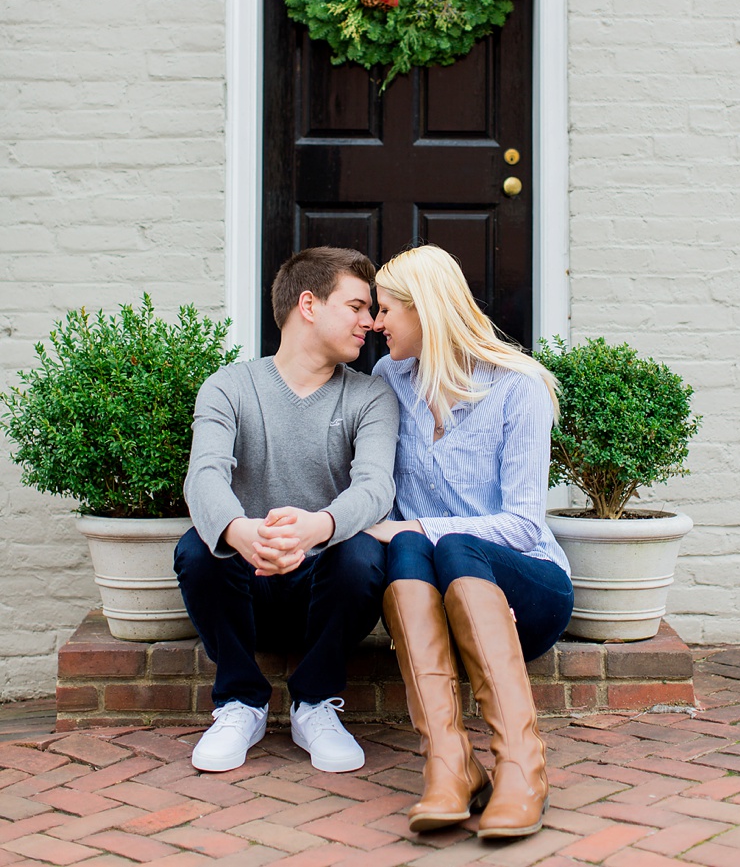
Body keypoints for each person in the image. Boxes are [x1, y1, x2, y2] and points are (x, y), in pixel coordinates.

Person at [362, 244, 573, 839]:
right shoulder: (389, 380)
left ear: (424, 310)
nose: (376, 324)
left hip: (525, 587)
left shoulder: (518, 387)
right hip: (438, 599)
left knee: (441, 544)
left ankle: (522, 767)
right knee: (410, 549)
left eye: (385, 310)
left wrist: (421, 529)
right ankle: (450, 764)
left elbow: (526, 524)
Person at [177, 246, 398, 774]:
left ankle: (314, 702)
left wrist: (316, 528)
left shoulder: (371, 397)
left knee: (365, 554)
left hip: (325, 587)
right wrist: (239, 531)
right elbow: (203, 475)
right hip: (245, 585)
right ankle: (240, 702)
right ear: (309, 304)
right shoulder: (229, 387)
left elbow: (375, 488)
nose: (371, 322)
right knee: (197, 549)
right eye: (358, 306)